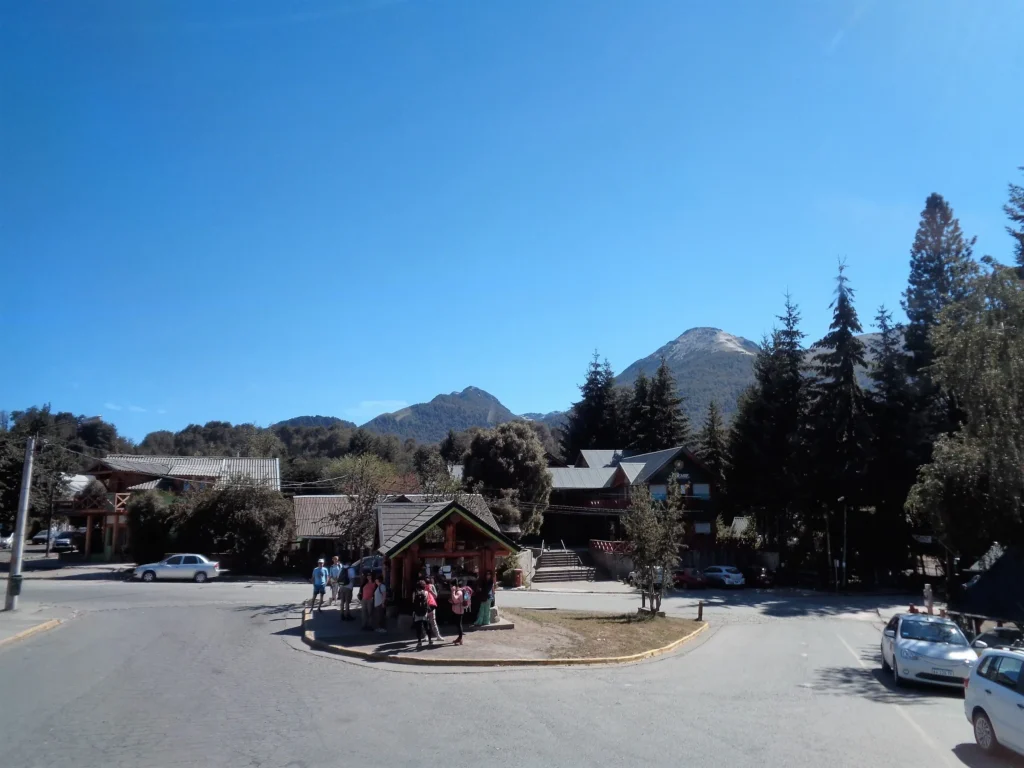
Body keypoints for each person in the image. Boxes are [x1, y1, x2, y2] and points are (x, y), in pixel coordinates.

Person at [412, 580, 432, 650]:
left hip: (417, 612)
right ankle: (430, 640)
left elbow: (413, 602)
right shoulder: (426, 592)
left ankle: (419, 642)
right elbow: (427, 602)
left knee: (418, 628)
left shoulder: (414, 593)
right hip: (424, 612)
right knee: (427, 626)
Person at [425, 577, 444, 641]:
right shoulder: (423, 586)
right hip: (425, 606)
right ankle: (426, 636)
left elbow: (435, 595)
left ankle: (437, 635)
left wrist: (431, 591)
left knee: (433, 621)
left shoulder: (432, 586)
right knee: (426, 622)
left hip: (431, 605)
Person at [449, 579, 465, 646]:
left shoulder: (459, 592)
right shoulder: (457, 591)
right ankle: (459, 638)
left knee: (459, 624)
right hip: (457, 610)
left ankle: (460, 638)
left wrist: (453, 591)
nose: (450, 587)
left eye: (451, 585)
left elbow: (455, 600)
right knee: (458, 624)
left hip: (459, 610)